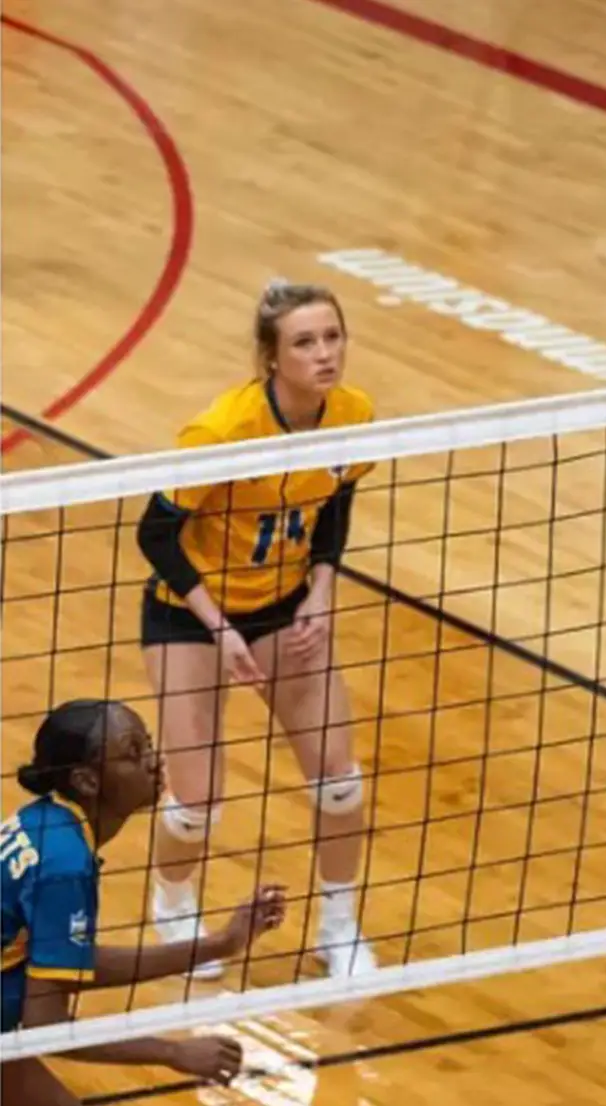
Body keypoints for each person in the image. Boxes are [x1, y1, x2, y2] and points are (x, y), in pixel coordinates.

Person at [0, 699, 290, 1106]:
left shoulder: (53, 829)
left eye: (148, 744)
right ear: (86, 780)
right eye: (135, 753)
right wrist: (170, 1052)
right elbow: (48, 1022)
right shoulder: (61, 859)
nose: (156, 762)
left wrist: (217, 944)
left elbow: (73, 964)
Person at [135, 280, 382, 980]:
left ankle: (338, 928)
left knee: (340, 781)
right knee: (199, 801)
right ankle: (173, 906)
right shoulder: (222, 431)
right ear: (272, 357)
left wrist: (322, 595)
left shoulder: (353, 415)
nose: (325, 354)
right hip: (189, 615)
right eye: (305, 342)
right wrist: (218, 627)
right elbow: (156, 535)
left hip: (285, 607)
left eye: (332, 337)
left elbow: (335, 508)